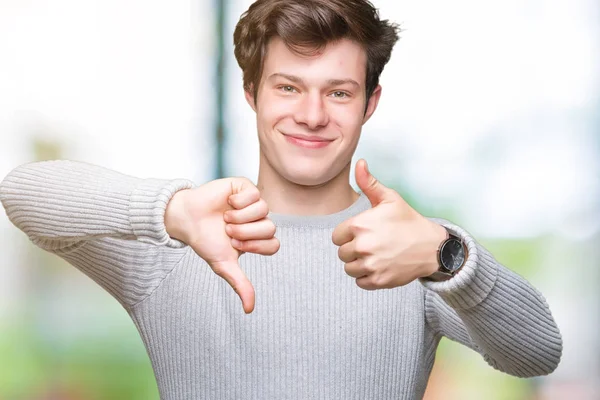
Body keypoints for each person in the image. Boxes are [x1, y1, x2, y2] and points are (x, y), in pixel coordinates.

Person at [0, 0, 562, 398]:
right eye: (288, 86)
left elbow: (538, 354)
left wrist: (447, 256)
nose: (312, 115)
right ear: (251, 92)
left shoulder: (409, 247)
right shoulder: (179, 239)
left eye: (338, 92)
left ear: (370, 103)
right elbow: (22, 193)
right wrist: (171, 210)